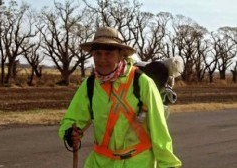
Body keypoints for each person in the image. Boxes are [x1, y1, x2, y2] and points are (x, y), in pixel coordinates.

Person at [58, 27, 182, 168]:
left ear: (121, 54)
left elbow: (159, 132)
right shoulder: (90, 84)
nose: (102, 59)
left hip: (139, 163)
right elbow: (72, 119)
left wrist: (168, 165)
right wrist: (70, 132)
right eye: (98, 53)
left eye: (108, 53)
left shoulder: (143, 83)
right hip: (100, 163)